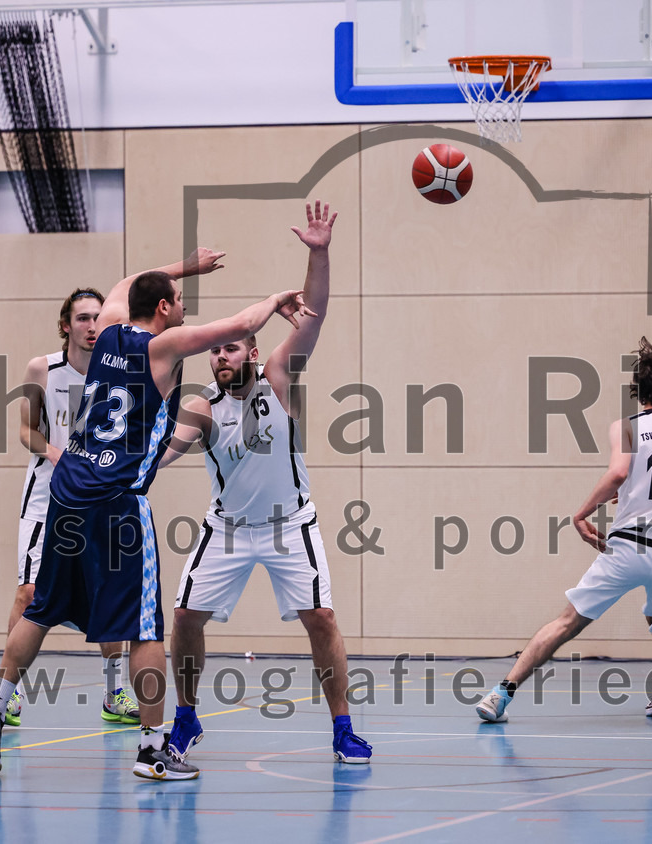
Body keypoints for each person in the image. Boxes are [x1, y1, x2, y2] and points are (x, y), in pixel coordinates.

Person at [0, 243, 315, 781]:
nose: (182, 307)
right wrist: (273, 298)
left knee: (39, 609)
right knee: (146, 632)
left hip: (67, 490)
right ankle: (153, 751)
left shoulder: (105, 331)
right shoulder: (163, 347)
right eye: (178, 299)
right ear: (163, 309)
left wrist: (183, 268)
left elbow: (125, 283)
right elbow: (240, 324)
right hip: (118, 502)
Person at [160, 201, 372, 765]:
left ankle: (342, 727)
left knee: (321, 618)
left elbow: (315, 312)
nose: (219, 356)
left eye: (228, 347)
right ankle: (185, 717)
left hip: (289, 526)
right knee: (183, 616)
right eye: (212, 351)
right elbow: (165, 455)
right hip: (226, 528)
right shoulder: (201, 405)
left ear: (251, 351)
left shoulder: (277, 378)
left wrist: (319, 253)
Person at [476, 335, 652, 727]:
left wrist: (582, 512)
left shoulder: (628, 426)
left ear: (639, 388)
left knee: (566, 623)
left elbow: (619, 471)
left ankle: (501, 694)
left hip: (630, 547)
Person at [5, 288, 139, 728]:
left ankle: (114, 692)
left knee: (109, 596)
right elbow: (26, 429)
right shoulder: (42, 369)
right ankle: (10, 693)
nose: (92, 326)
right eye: (82, 318)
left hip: (97, 500)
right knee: (29, 591)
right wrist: (57, 453)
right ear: (66, 325)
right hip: (47, 495)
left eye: (99, 317)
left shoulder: (115, 373)